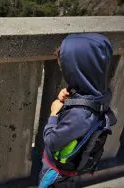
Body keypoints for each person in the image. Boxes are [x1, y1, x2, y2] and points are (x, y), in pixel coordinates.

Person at [38, 33, 117, 188]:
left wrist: (54, 113)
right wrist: (69, 99)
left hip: (56, 174)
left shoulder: (80, 114)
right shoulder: (101, 94)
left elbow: (52, 141)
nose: (63, 71)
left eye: (65, 67)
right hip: (70, 169)